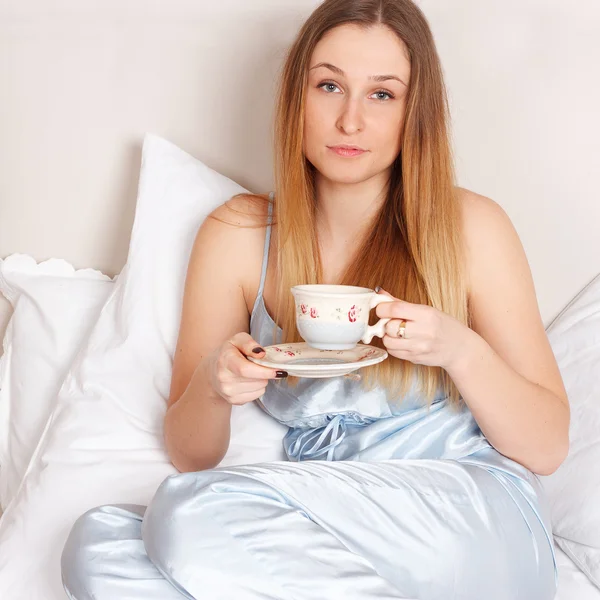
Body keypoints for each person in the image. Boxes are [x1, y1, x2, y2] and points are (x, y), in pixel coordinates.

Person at [61, 1, 569, 598]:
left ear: (415, 113)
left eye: (382, 95)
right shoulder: (238, 235)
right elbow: (191, 455)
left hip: (471, 517)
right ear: (296, 98)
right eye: (330, 86)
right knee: (98, 544)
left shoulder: (469, 227)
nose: (350, 120)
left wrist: (460, 350)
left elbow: (549, 444)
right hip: (327, 531)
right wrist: (214, 384)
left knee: (186, 512)